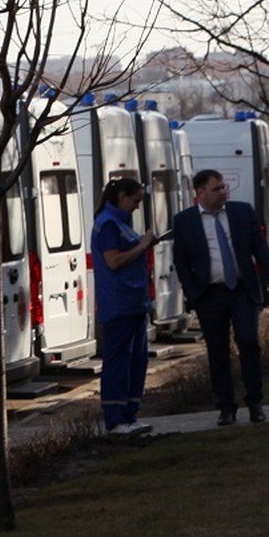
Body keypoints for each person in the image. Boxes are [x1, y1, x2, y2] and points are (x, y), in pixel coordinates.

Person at [171, 168, 269, 425]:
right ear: (200, 193)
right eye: (216, 188)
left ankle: (255, 402)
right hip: (209, 295)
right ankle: (226, 407)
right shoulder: (184, 221)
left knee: (248, 341)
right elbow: (181, 260)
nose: (223, 192)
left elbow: (260, 249)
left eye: (224, 187)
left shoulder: (242, 212)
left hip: (242, 291)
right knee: (218, 351)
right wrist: (193, 293)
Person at [90, 175, 156, 437]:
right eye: (136, 200)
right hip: (119, 303)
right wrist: (141, 246)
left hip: (134, 302)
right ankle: (116, 418)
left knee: (136, 361)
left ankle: (129, 415)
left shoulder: (121, 222)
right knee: (119, 361)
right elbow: (114, 261)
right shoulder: (108, 224)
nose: (138, 206)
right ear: (122, 197)